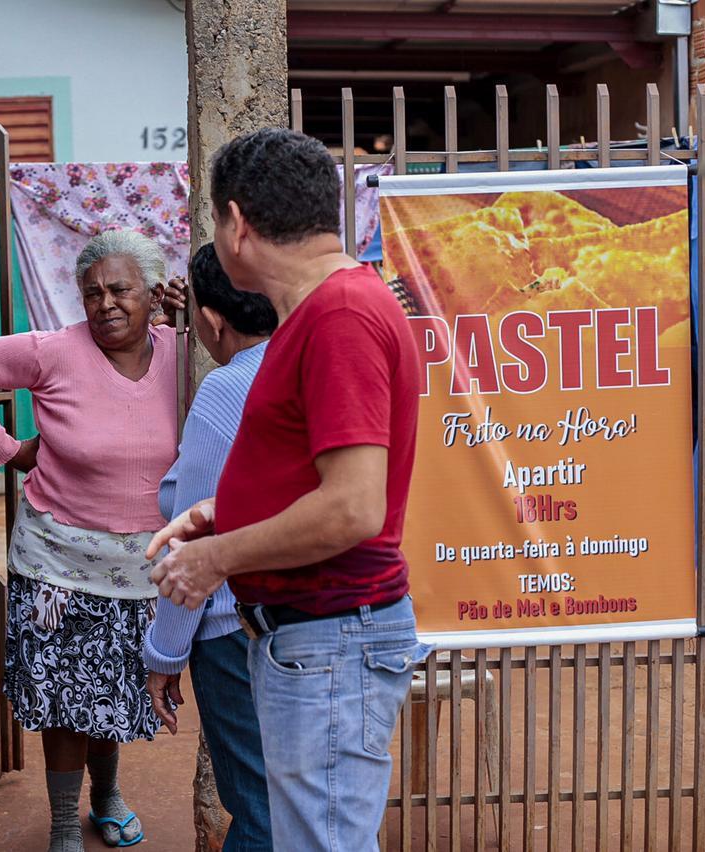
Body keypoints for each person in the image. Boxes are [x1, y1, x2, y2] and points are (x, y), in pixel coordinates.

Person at [147, 129, 433, 851]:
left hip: (329, 631)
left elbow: (353, 507)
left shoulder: (338, 316)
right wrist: (223, 513)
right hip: (319, 636)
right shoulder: (326, 311)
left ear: (236, 223)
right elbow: (323, 480)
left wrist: (217, 557)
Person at [0, 229, 184, 852]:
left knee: (110, 692)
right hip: (56, 563)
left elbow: (253, 353)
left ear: (154, 293)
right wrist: (8, 451)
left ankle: (106, 797)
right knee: (62, 698)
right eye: (92, 292)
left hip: (140, 567)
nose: (105, 304)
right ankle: (61, 823)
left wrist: (194, 318)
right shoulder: (55, 351)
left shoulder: (186, 354)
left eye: (120, 290)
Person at [143, 243, 276, 851]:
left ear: (213, 319)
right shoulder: (311, 368)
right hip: (314, 624)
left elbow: (191, 546)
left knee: (256, 808)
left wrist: (165, 654)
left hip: (235, 632)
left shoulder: (226, 388)